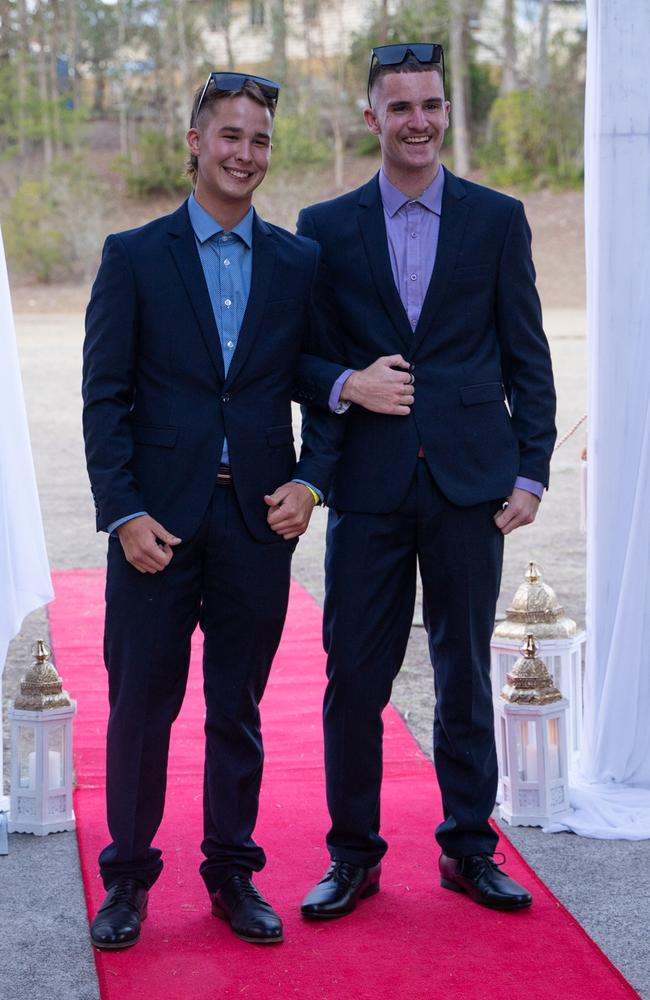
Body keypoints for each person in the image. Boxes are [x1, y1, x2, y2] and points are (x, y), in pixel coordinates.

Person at [82, 72, 341, 949]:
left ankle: (232, 873)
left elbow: (326, 385)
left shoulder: (301, 263)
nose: (245, 153)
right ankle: (126, 879)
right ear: (195, 141)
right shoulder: (134, 255)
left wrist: (312, 482)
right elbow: (104, 399)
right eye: (230, 135)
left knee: (238, 707)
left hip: (257, 525)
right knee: (141, 706)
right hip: (156, 525)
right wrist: (122, 514)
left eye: (260, 139)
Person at [297, 43, 557, 918]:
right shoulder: (325, 228)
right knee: (353, 680)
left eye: (431, 106)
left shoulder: (496, 218)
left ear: (447, 113)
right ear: (371, 118)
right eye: (399, 107)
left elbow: (528, 351)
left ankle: (470, 849)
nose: (417, 121)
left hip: (470, 484)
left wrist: (532, 470)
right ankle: (354, 857)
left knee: (463, 675)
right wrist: (346, 384)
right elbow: (300, 355)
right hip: (367, 487)